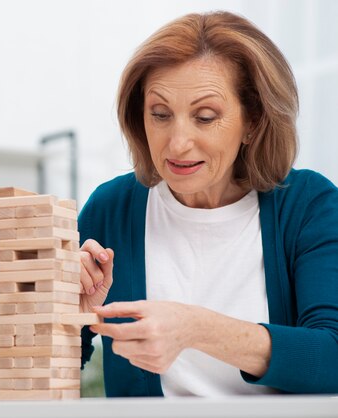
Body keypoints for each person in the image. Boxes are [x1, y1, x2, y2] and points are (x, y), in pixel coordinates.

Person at [78, 11, 338, 396]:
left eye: (204, 117)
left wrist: (196, 328)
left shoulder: (308, 206)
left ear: (253, 121)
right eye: (160, 115)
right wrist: (70, 317)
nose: (177, 142)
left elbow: (331, 358)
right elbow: (43, 370)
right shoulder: (111, 208)